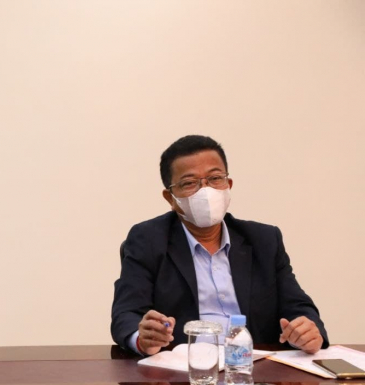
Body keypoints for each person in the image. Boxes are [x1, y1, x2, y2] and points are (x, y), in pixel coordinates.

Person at [111, 135, 328, 356]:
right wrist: (143, 339)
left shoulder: (264, 240)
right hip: (183, 367)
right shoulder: (148, 239)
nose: (205, 191)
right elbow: (126, 314)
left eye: (215, 178)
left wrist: (308, 333)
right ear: (171, 198)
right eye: (189, 183)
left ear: (228, 185)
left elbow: (298, 307)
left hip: (253, 366)